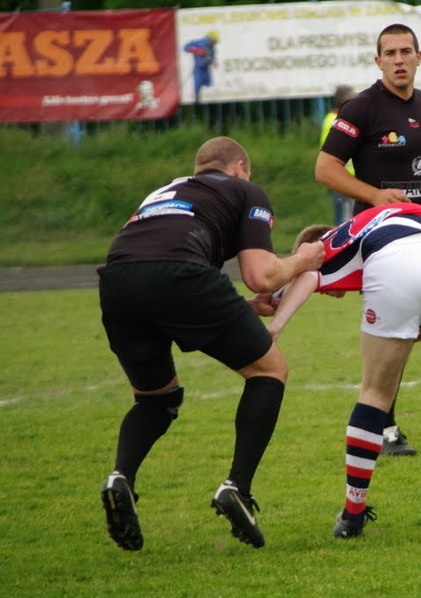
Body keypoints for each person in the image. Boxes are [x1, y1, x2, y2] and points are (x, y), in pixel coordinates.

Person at [97, 136, 325, 551]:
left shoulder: (165, 191)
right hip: (182, 276)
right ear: (240, 167)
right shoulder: (245, 189)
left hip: (117, 282)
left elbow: (159, 258)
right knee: (270, 370)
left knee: (155, 399)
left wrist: (235, 305)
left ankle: (121, 478)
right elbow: (261, 275)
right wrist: (305, 260)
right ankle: (237, 486)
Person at [266, 202, 421, 538]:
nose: (333, 295)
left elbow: (309, 275)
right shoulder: (396, 218)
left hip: (392, 266)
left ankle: (352, 515)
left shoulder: (331, 242)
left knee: (375, 395)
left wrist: (276, 327)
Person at [315, 23, 421, 453]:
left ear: (420, 57)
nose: (400, 59)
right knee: (394, 336)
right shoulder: (360, 109)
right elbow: (325, 168)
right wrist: (375, 196)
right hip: (381, 240)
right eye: (391, 53)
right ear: (378, 60)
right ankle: (384, 427)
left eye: (407, 51)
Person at [319, 85, 358, 225]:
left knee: (350, 217)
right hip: (341, 177)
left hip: (348, 177)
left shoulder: (335, 118)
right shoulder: (335, 120)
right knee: (345, 221)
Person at [183, 31, 218, 104]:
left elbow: (211, 57)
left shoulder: (212, 47)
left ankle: (208, 106)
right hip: (198, 69)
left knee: (208, 87)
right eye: (214, 41)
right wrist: (197, 51)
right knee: (197, 88)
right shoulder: (199, 43)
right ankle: (197, 104)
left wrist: (213, 61)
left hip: (206, 70)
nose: (215, 43)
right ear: (210, 39)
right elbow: (185, 48)